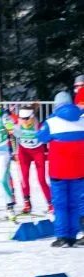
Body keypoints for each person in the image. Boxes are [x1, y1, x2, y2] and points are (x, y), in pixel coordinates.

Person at [38, 91, 84, 247]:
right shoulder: (82, 120)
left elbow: (41, 138)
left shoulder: (51, 122)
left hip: (58, 170)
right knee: (76, 203)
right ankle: (74, 235)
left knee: (60, 204)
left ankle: (63, 236)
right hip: (79, 170)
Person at [13, 102, 51, 215]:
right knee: (24, 179)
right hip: (24, 152)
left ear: (32, 117)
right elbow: (10, 126)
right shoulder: (18, 124)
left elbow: (46, 137)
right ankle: (27, 203)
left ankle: (50, 203)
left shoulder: (38, 126)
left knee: (41, 179)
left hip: (37, 152)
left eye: (26, 119)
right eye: (21, 118)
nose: (24, 121)